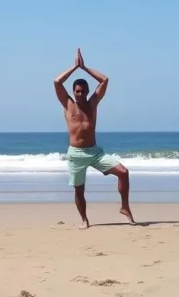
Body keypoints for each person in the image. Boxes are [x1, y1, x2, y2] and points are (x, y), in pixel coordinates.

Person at [53, 48, 134, 229]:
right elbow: (57, 81)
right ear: (73, 92)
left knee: (123, 172)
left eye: (83, 91)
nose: (80, 94)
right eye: (77, 91)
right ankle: (84, 219)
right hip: (76, 154)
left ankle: (124, 207)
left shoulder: (93, 103)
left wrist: (84, 67)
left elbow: (104, 80)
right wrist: (75, 67)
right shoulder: (68, 104)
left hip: (95, 152)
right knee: (79, 190)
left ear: (88, 91)